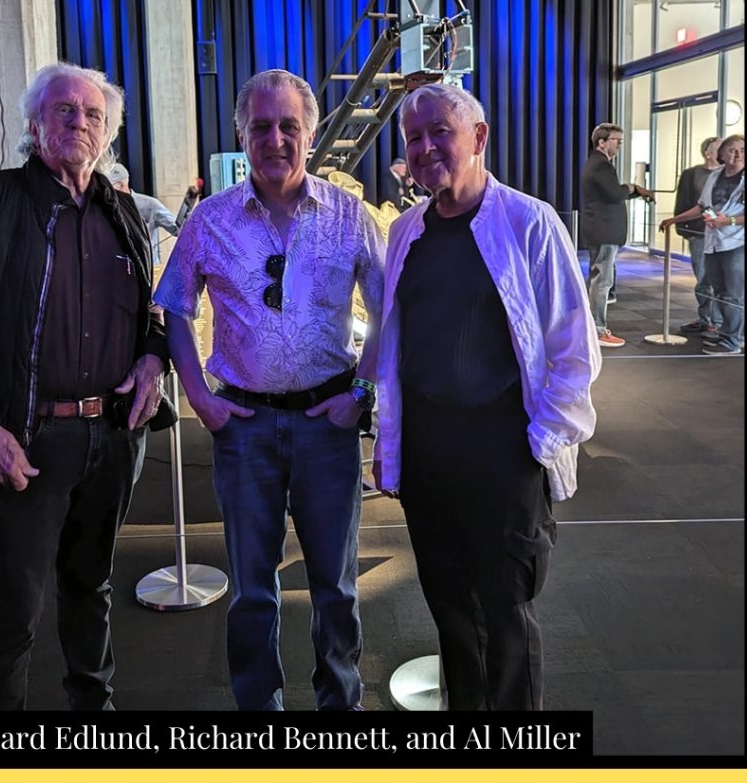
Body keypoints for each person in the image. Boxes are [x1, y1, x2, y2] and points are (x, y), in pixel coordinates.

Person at [0, 62, 167, 711]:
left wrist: (153, 358)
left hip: (111, 438)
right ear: (34, 123)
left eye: (93, 115)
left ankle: (94, 713)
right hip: (27, 441)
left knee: (92, 588)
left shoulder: (124, 213)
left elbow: (154, 311)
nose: (78, 122)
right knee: (15, 609)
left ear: (109, 131)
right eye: (64, 110)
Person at [154, 68, 385, 711]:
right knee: (252, 588)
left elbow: (390, 309)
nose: (276, 139)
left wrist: (364, 392)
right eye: (261, 127)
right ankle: (259, 712)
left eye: (290, 126)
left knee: (335, 585)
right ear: (241, 134)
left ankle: (341, 707)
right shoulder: (211, 219)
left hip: (328, 423)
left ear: (311, 135)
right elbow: (174, 305)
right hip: (244, 425)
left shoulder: (350, 216)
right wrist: (198, 394)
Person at [373, 81, 600, 711]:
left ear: (480, 137)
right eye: (413, 138)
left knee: (504, 617)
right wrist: (389, 440)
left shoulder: (529, 223)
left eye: (439, 131)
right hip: (428, 454)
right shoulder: (407, 234)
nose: (424, 148)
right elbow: (393, 347)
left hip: (505, 454)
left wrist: (538, 445)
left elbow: (574, 351)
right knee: (448, 609)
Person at [660, 134, 744, 356]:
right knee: (719, 290)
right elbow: (701, 206)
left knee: (734, 294)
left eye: (742, 150)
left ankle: (732, 340)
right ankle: (726, 332)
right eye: (733, 150)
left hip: (737, 242)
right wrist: (675, 219)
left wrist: (729, 221)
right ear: (721, 154)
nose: (737, 155)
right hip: (713, 242)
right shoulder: (714, 176)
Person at [580, 122, 653, 347]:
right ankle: (598, 329)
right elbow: (613, 193)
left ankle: (595, 326)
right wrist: (631, 188)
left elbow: (610, 193)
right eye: (616, 140)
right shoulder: (601, 165)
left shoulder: (598, 164)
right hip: (603, 230)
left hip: (600, 229)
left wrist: (630, 191)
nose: (620, 144)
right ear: (602, 142)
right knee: (602, 281)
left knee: (599, 280)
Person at [672, 136, 722, 336]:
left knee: (721, 280)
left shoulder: (730, 175)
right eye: (720, 148)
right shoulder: (692, 174)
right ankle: (705, 318)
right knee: (703, 279)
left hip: (725, 235)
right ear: (708, 153)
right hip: (699, 234)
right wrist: (684, 229)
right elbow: (685, 201)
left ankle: (717, 321)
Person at [107, 162, 179, 266]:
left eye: (110, 187)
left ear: (120, 185)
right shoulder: (106, 208)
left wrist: (189, 218)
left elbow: (177, 229)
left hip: (149, 271)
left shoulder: (150, 204)